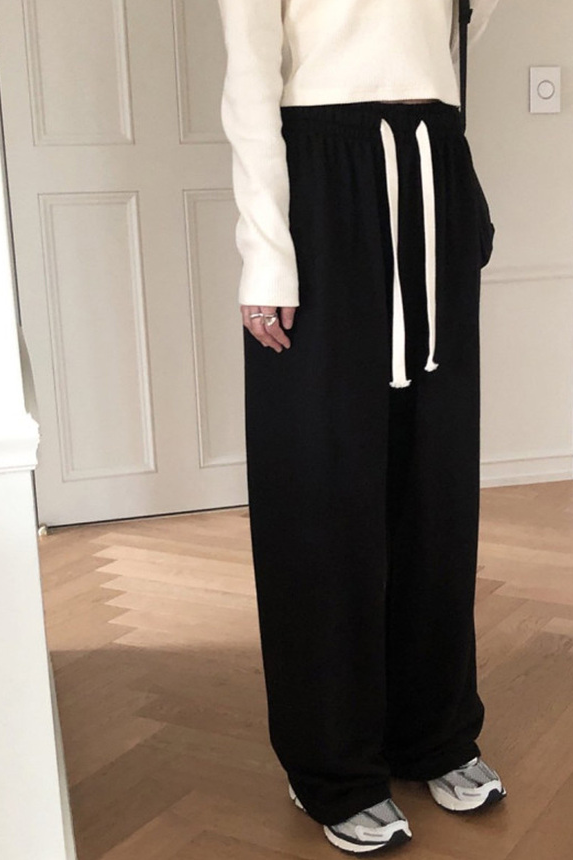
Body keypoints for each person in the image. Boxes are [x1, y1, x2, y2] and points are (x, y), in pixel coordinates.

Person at [216, 0, 504, 853]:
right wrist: (267, 252)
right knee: (321, 488)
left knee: (435, 485)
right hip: (324, 180)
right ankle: (331, 764)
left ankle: (434, 733)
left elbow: (460, 29)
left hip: (433, 166)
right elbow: (249, 79)